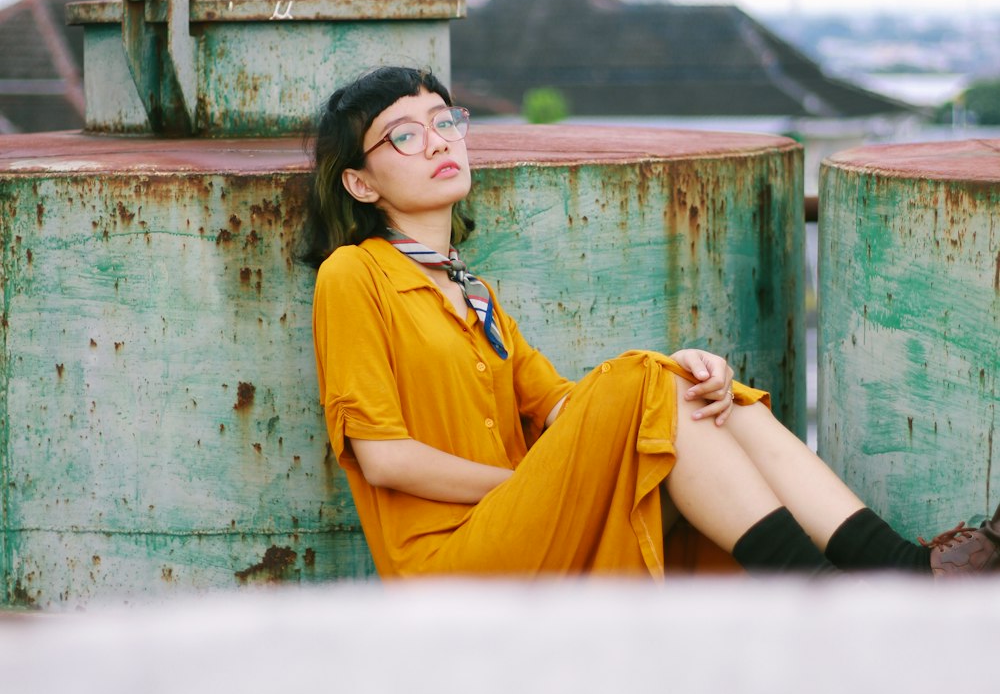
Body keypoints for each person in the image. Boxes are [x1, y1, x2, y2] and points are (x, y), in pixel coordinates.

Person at [303, 65, 1000, 580]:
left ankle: (896, 571)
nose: (436, 141)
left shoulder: (470, 289)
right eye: (402, 135)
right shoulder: (355, 275)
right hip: (451, 562)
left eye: (445, 121)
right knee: (645, 380)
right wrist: (537, 485)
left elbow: (561, 408)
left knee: (695, 394)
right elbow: (384, 458)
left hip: (521, 527)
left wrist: (685, 370)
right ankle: (824, 595)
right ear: (361, 184)